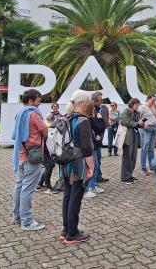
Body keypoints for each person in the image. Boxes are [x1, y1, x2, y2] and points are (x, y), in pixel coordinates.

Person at [61, 90, 94, 245]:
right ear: (80, 103)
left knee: (68, 195)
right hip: (78, 163)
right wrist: (91, 166)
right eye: (87, 101)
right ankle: (72, 233)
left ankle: (66, 229)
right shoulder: (83, 120)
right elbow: (87, 147)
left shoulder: (66, 117)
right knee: (76, 197)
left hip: (65, 162)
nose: (89, 103)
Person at [12, 89, 47, 231]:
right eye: (38, 100)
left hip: (21, 154)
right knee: (28, 189)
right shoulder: (33, 114)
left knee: (19, 186)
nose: (39, 104)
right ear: (31, 101)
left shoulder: (19, 113)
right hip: (32, 155)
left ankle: (17, 216)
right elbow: (44, 131)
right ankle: (27, 221)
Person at [37, 103, 63, 194]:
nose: (56, 108)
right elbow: (47, 124)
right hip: (47, 140)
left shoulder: (60, 115)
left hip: (54, 138)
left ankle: (40, 184)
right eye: (54, 106)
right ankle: (47, 187)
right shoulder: (49, 115)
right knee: (49, 165)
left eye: (57, 106)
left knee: (49, 165)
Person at [120, 98, 145, 184]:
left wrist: (142, 123)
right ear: (132, 104)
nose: (138, 106)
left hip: (135, 136)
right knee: (127, 157)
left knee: (133, 156)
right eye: (137, 104)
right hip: (127, 136)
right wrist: (137, 123)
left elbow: (138, 124)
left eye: (138, 104)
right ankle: (124, 178)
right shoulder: (126, 111)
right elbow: (125, 121)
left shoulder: (137, 113)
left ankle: (129, 175)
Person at [84, 100, 105, 199]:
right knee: (90, 166)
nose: (94, 110)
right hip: (88, 146)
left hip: (93, 145)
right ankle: (87, 189)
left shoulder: (91, 117)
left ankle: (92, 186)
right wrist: (100, 119)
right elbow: (100, 126)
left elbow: (99, 129)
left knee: (95, 165)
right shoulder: (87, 118)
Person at [139, 94, 156, 176]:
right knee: (145, 148)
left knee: (151, 149)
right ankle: (143, 168)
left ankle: (152, 167)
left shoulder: (152, 107)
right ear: (148, 99)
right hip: (146, 130)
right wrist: (144, 124)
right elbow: (138, 119)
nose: (154, 102)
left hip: (154, 129)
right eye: (153, 100)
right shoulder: (142, 107)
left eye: (155, 100)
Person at [91, 92, 110, 183]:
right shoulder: (91, 110)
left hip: (99, 138)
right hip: (94, 139)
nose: (101, 102)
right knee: (95, 162)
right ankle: (93, 183)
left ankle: (98, 177)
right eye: (100, 100)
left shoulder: (99, 109)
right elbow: (92, 125)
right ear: (95, 100)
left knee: (98, 160)